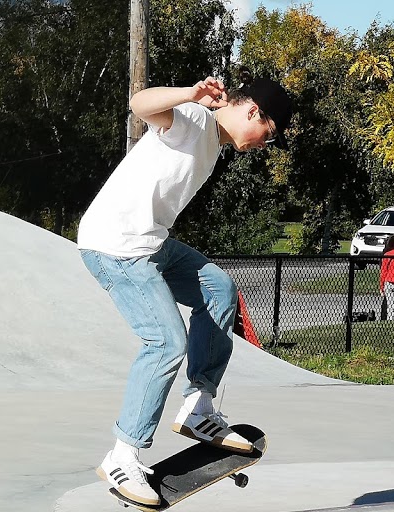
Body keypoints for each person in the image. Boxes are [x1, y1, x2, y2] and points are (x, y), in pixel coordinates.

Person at [77, 70, 293, 506]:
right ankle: (123, 455)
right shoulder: (194, 117)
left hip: (150, 243)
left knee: (219, 290)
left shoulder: (212, 137)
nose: (261, 147)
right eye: (267, 136)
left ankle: (199, 407)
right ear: (252, 111)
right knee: (165, 341)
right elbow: (140, 104)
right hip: (115, 246)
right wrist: (190, 93)